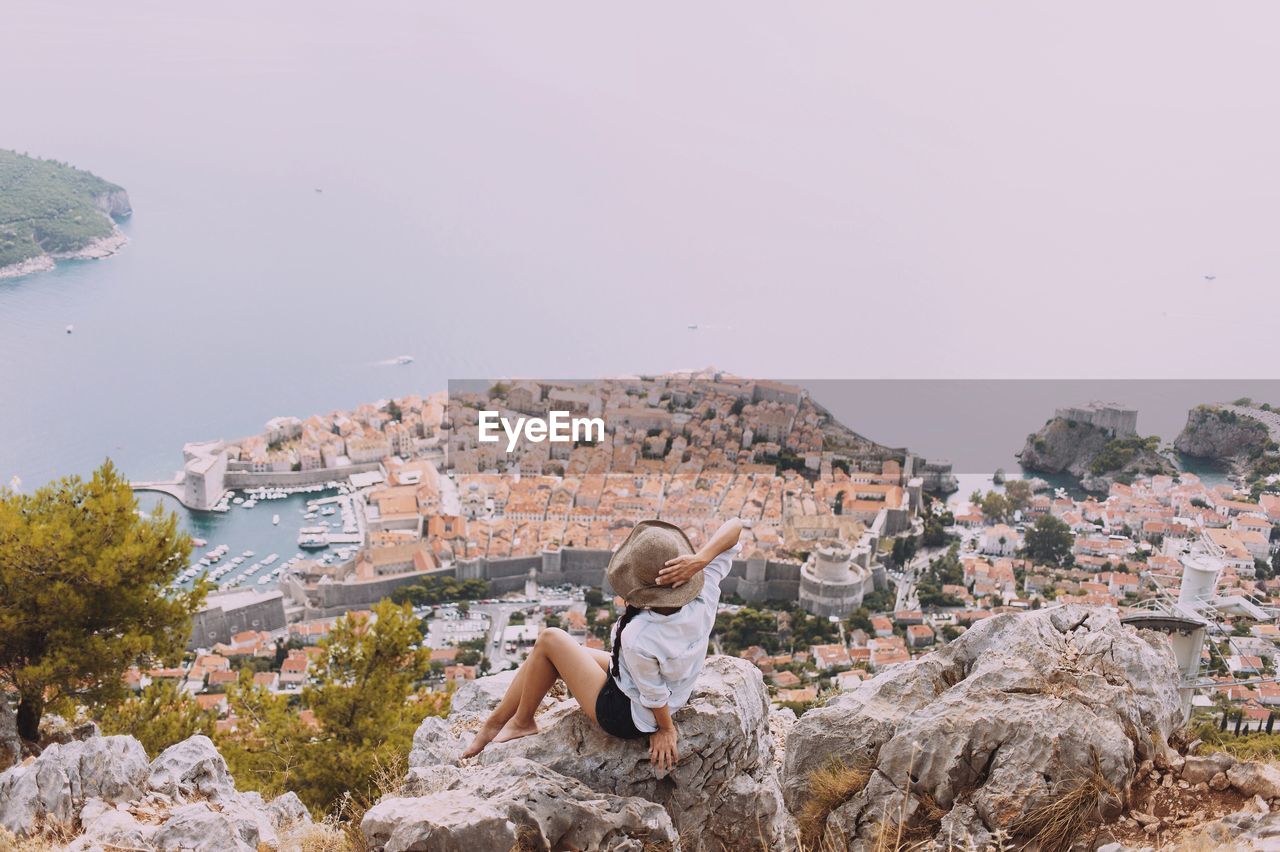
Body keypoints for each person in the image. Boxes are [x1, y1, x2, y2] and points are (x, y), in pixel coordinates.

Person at [461, 517, 743, 770]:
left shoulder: (640, 635)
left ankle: (521, 722)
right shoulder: (704, 592)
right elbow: (735, 525)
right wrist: (701, 559)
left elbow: (653, 694)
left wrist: (666, 729)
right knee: (557, 653)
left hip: (627, 715)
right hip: (665, 689)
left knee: (550, 639)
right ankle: (496, 723)